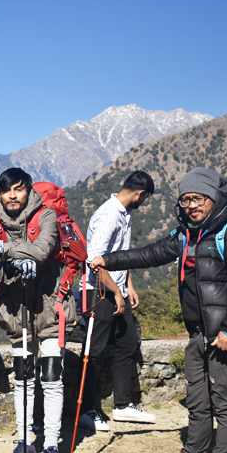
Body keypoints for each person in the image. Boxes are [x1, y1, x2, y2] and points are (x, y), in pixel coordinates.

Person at [91, 167, 227, 453]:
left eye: (197, 198)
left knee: (224, 401)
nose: (191, 205)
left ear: (212, 197)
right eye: (185, 200)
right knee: (198, 401)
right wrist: (107, 260)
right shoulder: (189, 233)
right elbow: (150, 253)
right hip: (199, 333)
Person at [0, 168, 82, 453]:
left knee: (51, 377)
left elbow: (42, 252)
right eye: (6, 191)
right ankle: (24, 440)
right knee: (22, 378)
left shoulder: (45, 215)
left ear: (28, 190)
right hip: (15, 311)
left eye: (18, 189)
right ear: (0, 193)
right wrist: (8, 263)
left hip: (50, 308)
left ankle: (51, 446)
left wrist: (2, 250)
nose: (12, 196)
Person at [80, 171, 157, 432]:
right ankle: (85, 410)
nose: (143, 203)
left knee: (127, 342)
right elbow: (95, 261)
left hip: (116, 290)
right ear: (141, 194)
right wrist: (115, 292)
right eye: (145, 199)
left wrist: (128, 286)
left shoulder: (125, 213)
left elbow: (120, 255)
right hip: (98, 292)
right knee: (94, 351)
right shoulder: (108, 215)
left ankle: (123, 406)